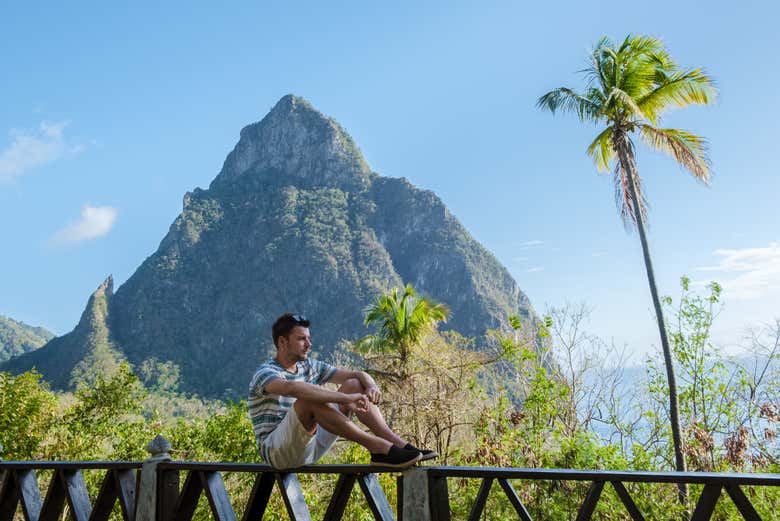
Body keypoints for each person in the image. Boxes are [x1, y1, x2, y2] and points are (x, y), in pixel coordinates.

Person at [248, 313, 438, 469]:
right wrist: (346, 398)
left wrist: (371, 385)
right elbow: (292, 388)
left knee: (355, 383)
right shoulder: (265, 373)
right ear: (282, 342)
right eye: (301, 339)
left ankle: (396, 443)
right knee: (308, 399)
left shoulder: (309, 366)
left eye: (308, 338)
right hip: (278, 452)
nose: (309, 344)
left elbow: (357, 374)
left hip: (311, 445)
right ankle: (378, 448)